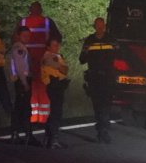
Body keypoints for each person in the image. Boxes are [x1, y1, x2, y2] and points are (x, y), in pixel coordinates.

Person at [18, 2, 61, 129]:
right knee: (43, 89)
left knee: (30, 90)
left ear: (29, 10)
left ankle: (32, 117)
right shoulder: (47, 22)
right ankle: (43, 118)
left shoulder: (23, 22)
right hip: (43, 62)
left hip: (27, 62)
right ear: (41, 10)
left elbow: (15, 40)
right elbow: (58, 39)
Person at [79, 16, 117, 144]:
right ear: (94, 27)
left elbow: (120, 55)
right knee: (97, 106)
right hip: (94, 78)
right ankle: (100, 131)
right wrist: (86, 50)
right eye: (97, 26)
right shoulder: (89, 40)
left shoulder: (111, 40)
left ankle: (103, 131)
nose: (99, 28)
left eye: (101, 26)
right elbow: (82, 59)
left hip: (107, 78)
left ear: (104, 26)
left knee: (105, 105)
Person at [39, 36, 70, 149]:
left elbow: (65, 70)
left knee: (55, 112)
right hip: (54, 85)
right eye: (54, 45)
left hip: (58, 85)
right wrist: (61, 67)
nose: (57, 47)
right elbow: (64, 69)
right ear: (48, 47)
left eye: (58, 45)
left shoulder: (56, 56)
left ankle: (49, 137)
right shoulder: (48, 57)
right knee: (56, 112)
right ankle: (53, 139)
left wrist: (62, 68)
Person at [7, 26, 35, 145]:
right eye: (24, 35)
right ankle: (28, 135)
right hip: (22, 82)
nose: (27, 38)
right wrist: (25, 83)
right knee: (24, 108)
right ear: (19, 36)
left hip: (20, 81)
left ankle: (16, 134)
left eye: (28, 35)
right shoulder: (19, 48)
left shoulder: (20, 47)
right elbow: (20, 67)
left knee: (19, 107)